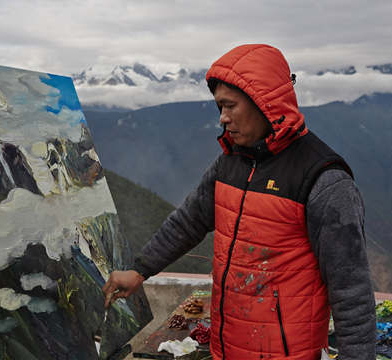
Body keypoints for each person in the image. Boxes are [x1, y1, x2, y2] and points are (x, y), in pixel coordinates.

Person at [102, 44, 376, 359]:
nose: (223, 118)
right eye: (220, 107)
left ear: (264, 103)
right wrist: (139, 270)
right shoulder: (231, 163)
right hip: (226, 349)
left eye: (230, 106)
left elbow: (351, 291)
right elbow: (188, 221)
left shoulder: (323, 180)